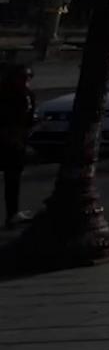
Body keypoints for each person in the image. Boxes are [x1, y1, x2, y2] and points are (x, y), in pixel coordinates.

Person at [1, 63, 34, 228]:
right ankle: (12, 213)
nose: (27, 81)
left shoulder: (27, 95)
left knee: (13, 179)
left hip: (17, 141)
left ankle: (12, 213)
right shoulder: (8, 96)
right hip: (9, 141)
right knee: (12, 178)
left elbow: (27, 120)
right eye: (23, 77)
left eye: (29, 77)